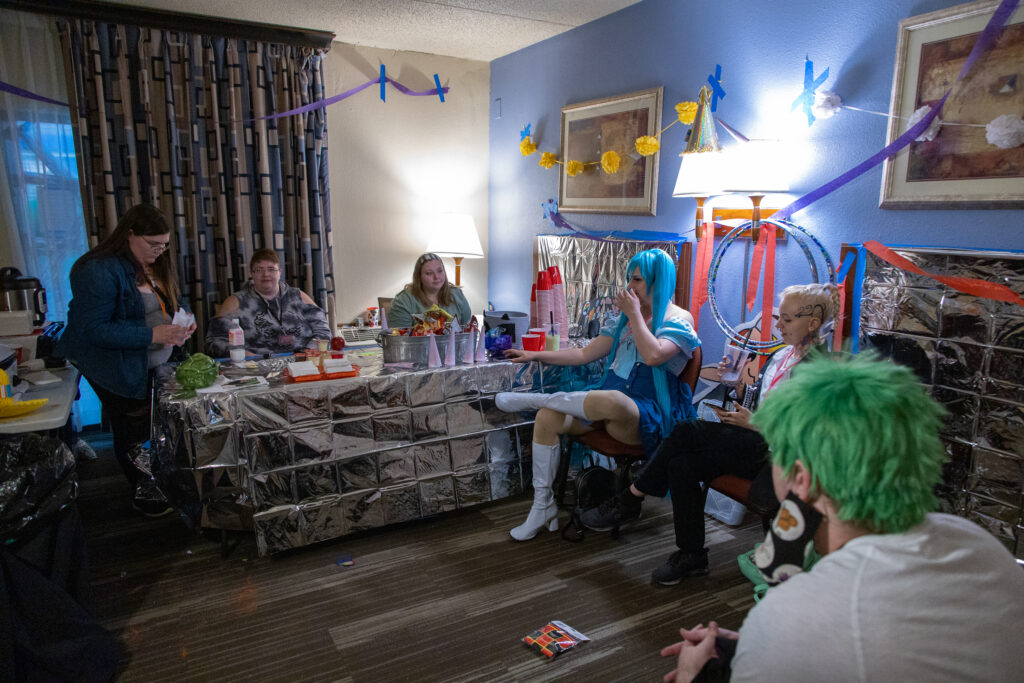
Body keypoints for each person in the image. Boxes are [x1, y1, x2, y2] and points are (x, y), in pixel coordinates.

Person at [661, 354, 1024, 682]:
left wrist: (695, 674)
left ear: (802, 480)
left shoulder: (791, 615)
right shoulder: (980, 545)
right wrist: (756, 648)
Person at [581, 284, 839, 585]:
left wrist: (756, 424)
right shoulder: (782, 356)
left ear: (813, 322)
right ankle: (692, 555)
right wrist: (735, 385)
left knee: (685, 431)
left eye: (787, 319)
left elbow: (810, 434)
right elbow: (763, 402)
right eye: (779, 317)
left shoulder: (820, 371)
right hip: (755, 442)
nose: (778, 325)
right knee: (682, 464)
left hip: (779, 457)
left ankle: (630, 498)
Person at [495, 249, 700, 541]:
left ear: (659, 281)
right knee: (548, 417)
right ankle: (542, 507)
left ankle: (537, 399)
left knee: (612, 400)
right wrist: (535, 354)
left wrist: (634, 315)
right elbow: (583, 354)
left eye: (638, 279)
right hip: (605, 405)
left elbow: (653, 356)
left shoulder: (679, 318)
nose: (630, 286)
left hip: (645, 414)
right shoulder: (623, 320)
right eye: (629, 278)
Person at [58, 203, 194, 516]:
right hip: (114, 365)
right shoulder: (98, 270)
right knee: (133, 429)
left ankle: (159, 482)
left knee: (153, 426)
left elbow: (175, 300)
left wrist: (186, 319)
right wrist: (153, 335)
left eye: (164, 245)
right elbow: (94, 329)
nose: (159, 251)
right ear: (130, 234)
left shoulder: (155, 264)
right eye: (153, 244)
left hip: (150, 361)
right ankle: (145, 495)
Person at [205, 249, 331, 357]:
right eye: (259, 270)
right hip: (256, 366)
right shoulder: (235, 302)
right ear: (252, 274)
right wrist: (245, 355)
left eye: (271, 269)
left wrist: (308, 353)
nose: (266, 274)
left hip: (303, 363)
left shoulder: (299, 296)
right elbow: (214, 342)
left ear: (280, 272)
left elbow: (324, 332)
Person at [388, 252, 472, 329]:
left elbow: (467, 330)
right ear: (419, 277)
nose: (436, 277)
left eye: (440, 271)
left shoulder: (457, 294)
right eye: (429, 273)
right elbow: (399, 337)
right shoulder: (403, 301)